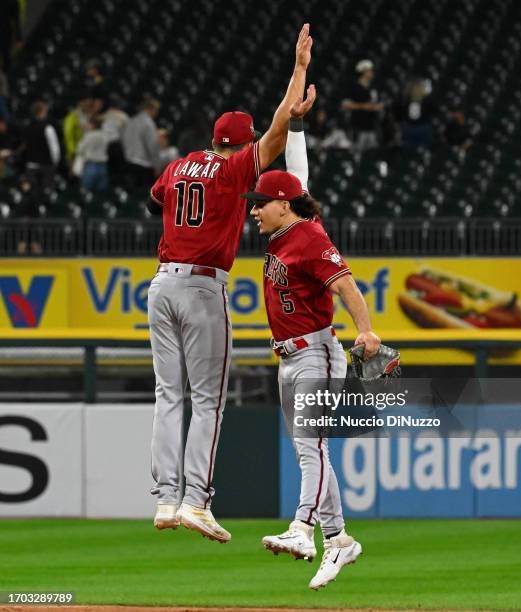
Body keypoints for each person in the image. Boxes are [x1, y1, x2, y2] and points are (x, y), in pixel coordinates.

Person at [146, 24, 314, 543]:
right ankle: (196, 500)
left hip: (160, 286)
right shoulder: (234, 169)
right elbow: (280, 130)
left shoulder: (178, 165)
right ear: (240, 143)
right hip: (201, 287)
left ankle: (165, 500)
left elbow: (159, 197)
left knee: (167, 395)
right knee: (209, 400)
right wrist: (299, 69)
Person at [242, 102, 381, 590]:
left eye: (260, 202)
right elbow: (296, 175)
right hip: (289, 356)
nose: (253, 209)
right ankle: (339, 539)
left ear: (284, 204)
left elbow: (346, 285)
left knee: (311, 447)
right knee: (310, 451)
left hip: (318, 351)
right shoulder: (287, 230)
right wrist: (296, 125)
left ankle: (303, 529)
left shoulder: (309, 237)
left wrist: (365, 330)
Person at [341, 59, 383, 161]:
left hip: (372, 126)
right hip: (358, 126)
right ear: (363, 72)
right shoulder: (354, 87)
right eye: (369, 70)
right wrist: (365, 106)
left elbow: (378, 104)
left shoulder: (374, 87)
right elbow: (345, 105)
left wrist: (377, 107)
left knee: (371, 154)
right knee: (356, 154)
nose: (372, 73)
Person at [22, 100, 60, 203]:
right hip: (46, 167)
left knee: (32, 195)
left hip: (31, 166)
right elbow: (54, 148)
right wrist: (54, 163)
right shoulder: (48, 128)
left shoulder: (27, 127)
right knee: (46, 195)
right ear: (42, 111)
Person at [122, 97, 162, 188]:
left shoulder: (131, 121)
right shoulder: (148, 123)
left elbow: (124, 140)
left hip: (129, 163)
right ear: (150, 108)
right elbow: (152, 146)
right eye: (156, 110)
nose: (156, 113)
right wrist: (157, 166)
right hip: (143, 166)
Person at [77, 115, 109, 192]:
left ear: (92, 124)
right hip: (103, 166)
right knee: (101, 194)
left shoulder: (89, 136)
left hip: (91, 166)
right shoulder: (106, 136)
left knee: (86, 191)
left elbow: (79, 149)